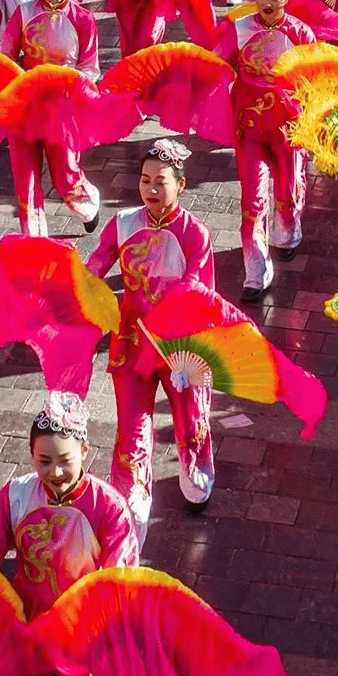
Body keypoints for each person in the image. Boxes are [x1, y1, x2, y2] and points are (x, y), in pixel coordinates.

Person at [0, 394, 135, 676]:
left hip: (87, 636)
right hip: (30, 630)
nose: (54, 472)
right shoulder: (16, 496)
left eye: (65, 460)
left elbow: (120, 580)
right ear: (31, 455)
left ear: (85, 452)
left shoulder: (110, 508)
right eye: (43, 461)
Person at [86, 139, 214, 541]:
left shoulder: (196, 235)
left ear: (182, 184)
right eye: (144, 180)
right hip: (132, 342)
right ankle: (132, 499)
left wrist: (182, 347)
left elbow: (199, 291)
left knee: (190, 417)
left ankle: (193, 466)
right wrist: (73, 286)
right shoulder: (123, 224)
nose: (151, 189)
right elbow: (95, 268)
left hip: (181, 349)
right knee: (131, 428)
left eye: (161, 181)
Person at [218, 0, 316, 299]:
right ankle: (255, 271)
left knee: (287, 191)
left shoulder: (301, 34)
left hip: (288, 127)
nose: (267, 4)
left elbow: (315, 80)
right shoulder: (239, 29)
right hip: (249, 129)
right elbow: (217, 65)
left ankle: (287, 233)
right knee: (252, 200)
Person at [0, 0, 100, 237]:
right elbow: (5, 55)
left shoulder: (83, 18)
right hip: (26, 104)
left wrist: (72, 90)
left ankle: (87, 206)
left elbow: (90, 66)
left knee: (65, 176)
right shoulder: (25, 11)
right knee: (25, 178)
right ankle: (34, 239)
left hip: (63, 108)